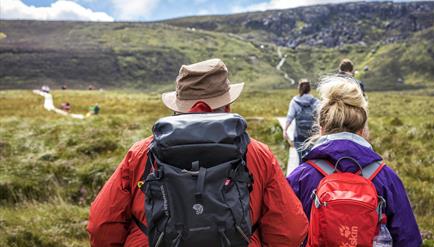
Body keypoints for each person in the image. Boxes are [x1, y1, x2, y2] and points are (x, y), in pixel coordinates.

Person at [87, 58, 308, 246]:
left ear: (177, 107)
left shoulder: (141, 153)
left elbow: (100, 226)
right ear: (227, 106)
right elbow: (289, 231)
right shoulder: (258, 154)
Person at [287, 76, 422, 246]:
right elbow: (409, 240)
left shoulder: (300, 177)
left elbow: (280, 233)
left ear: (321, 129)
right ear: (362, 130)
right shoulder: (387, 178)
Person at [284, 79, 320, 163]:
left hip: (299, 136)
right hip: (313, 136)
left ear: (299, 88)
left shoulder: (295, 101)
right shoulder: (316, 102)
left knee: (301, 159)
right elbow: (322, 116)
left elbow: (290, 116)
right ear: (309, 88)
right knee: (312, 160)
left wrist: (285, 130)